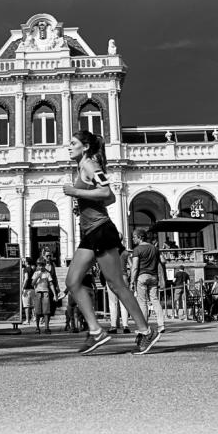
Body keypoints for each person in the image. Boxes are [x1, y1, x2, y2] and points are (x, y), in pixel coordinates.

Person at [62, 130, 158, 355]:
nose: (69, 147)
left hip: (101, 231)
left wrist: (75, 192)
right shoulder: (83, 166)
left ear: (84, 147)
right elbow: (105, 196)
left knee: (117, 285)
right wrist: (82, 200)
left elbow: (108, 193)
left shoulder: (90, 164)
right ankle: (96, 332)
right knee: (72, 281)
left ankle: (145, 331)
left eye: (73, 143)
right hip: (90, 233)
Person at [131, 228, 165, 334]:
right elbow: (163, 260)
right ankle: (161, 325)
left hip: (142, 277)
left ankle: (144, 326)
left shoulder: (137, 249)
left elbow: (135, 267)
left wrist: (132, 281)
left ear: (140, 237)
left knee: (143, 302)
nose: (133, 239)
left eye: (134, 237)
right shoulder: (154, 248)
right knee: (155, 300)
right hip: (154, 277)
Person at [106, 234, 131, 334]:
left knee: (113, 303)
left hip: (112, 277)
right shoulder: (125, 252)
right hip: (123, 277)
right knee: (124, 302)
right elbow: (132, 265)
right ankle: (126, 326)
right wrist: (130, 276)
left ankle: (113, 326)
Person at [32, 257, 57, 334]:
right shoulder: (35, 273)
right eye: (39, 265)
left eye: (42, 265)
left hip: (45, 292)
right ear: (37, 265)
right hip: (38, 292)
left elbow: (51, 284)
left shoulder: (47, 273)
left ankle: (46, 327)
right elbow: (32, 283)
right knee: (37, 311)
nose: (41, 266)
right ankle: (37, 327)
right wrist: (38, 276)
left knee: (46, 311)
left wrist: (54, 294)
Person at [22, 257, 35, 324]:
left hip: (26, 289)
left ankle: (27, 320)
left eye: (24, 261)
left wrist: (23, 287)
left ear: (27, 262)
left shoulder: (25, 269)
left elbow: (26, 278)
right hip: (32, 289)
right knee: (33, 305)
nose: (23, 262)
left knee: (26, 306)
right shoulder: (33, 269)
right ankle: (34, 318)